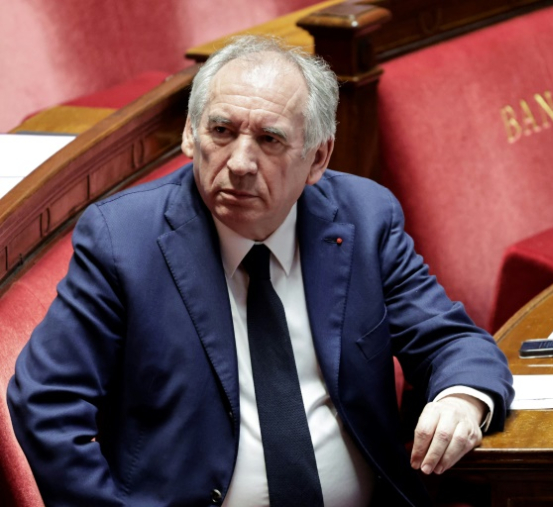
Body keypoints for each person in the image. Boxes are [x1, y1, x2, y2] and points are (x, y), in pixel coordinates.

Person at [7, 36, 513, 506]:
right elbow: (47, 403)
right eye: (222, 131)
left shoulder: (363, 217)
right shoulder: (124, 240)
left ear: (318, 158)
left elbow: (450, 340)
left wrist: (463, 399)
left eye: (270, 140)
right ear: (190, 134)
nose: (241, 162)